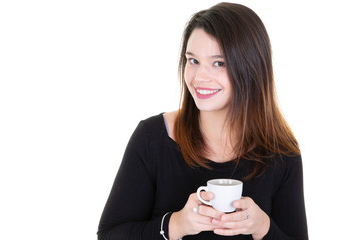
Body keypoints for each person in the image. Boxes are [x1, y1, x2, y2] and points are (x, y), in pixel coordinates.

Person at [97, 2, 308, 240]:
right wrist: (174, 225)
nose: (199, 77)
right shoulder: (152, 138)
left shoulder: (281, 152)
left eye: (219, 63)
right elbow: (108, 235)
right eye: (193, 60)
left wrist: (263, 228)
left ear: (251, 69)